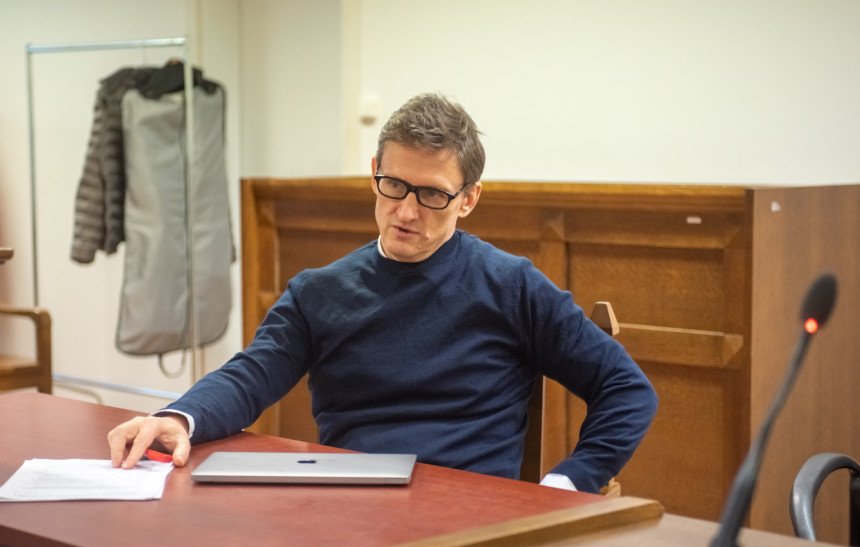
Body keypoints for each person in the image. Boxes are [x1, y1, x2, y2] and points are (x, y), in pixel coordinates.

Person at [108, 93, 657, 493]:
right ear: (374, 172)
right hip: (350, 503)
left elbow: (626, 388)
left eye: (432, 195)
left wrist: (567, 483)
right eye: (393, 185)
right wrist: (179, 418)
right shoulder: (320, 291)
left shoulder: (510, 284)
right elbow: (251, 375)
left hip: (471, 515)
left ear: (469, 199)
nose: (407, 211)